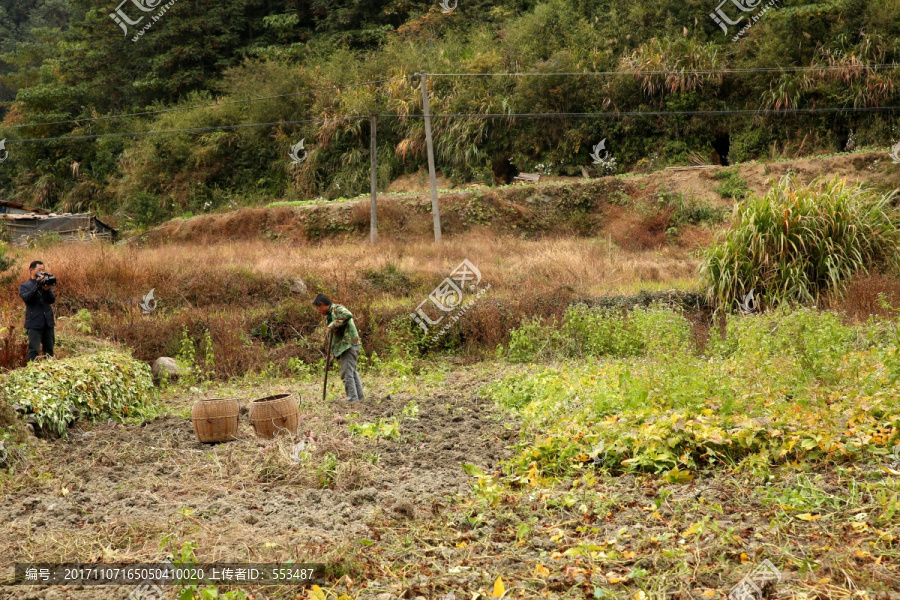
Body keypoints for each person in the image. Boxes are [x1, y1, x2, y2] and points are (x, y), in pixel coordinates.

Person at [313, 293, 364, 402]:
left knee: (347, 374)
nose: (318, 310)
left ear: (323, 304)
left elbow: (348, 314)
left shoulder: (337, 309)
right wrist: (332, 353)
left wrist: (331, 325)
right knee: (352, 373)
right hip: (346, 346)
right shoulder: (330, 315)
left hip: (349, 345)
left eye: (318, 307)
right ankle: (360, 399)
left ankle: (352, 400)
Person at [20, 260, 56, 363]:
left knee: (49, 351)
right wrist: (37, 286)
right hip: (34, 323)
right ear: (31, 270)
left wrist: (47, 289)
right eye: (39, 270)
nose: (42, 272)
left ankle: (50, 371)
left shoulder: (46, 284)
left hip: (48, 322)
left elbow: (51, 300)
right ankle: (31, 372)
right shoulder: (25, 286)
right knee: (33, 351)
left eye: (43, 270)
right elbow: (27, 299)